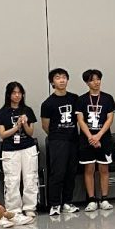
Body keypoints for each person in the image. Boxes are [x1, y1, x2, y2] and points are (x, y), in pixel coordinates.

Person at [0, 81, 39, 223]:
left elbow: (31, 132)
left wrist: (24, 124)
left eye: (19, 93)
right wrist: (16, 126)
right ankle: (13, 209)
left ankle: (30, 207)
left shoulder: (27, 110)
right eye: (14, 93)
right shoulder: (2, 113)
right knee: (12, 180)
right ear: (9, 94)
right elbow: (2, 134)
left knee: (30, 178)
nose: (17, 95)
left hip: (28, 147)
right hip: (10, 150)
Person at [40, 68, 81, 216]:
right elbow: (45, 125)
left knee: (71, 172)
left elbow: (80, 119)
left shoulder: (75, 98)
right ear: (52, 82)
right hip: (57, 141)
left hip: (73, 140)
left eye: (64, 77)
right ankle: (55, 204)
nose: (62, 80)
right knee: (58, 173)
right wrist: (57, 137)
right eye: (58, 78)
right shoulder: (48, 103)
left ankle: (67, 202)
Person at [76, 69, 115, 212]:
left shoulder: (108, 98)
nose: (96, 82)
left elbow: (110, 118)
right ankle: (92, 199)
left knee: (104, 169)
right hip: (87, 140)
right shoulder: (81, 100)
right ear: (87, 82)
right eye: (92, 80)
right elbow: (80, 120)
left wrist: (98, 136)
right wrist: (91, 137)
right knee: (89, 169)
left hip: (104, 139)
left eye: (98, 79)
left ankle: (104, 198)